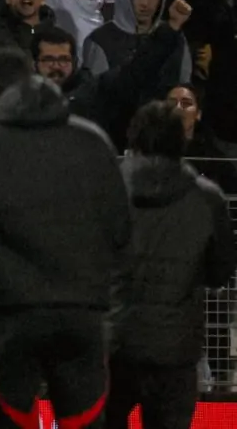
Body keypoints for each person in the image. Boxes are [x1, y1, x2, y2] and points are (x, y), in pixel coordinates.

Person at [0, 47, 131, 429]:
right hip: (82, 315)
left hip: (9, 318)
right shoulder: (93, 141)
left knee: (3, 416)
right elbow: (121, 229)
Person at [105, 100, 236, 429]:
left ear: (134, 139)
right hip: (175, 350)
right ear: (182, 141)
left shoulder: (106, 190)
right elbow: (221, 272)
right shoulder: (208, 198)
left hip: (114, 343)